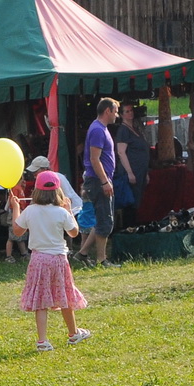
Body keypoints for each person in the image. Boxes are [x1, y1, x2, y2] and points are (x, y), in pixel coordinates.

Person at [12, 170, 92, 350]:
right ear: (58, 191)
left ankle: (42, 341)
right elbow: (74, 232)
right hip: (58, 260)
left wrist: (15, 207)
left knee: (41, 299)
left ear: (36, 191)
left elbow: (17, 231)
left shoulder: (30, 211)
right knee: (64, 295)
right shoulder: (61, 212)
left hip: (38, 259)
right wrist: (69, 211)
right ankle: (73, 333)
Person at [81, 98, 119, 265]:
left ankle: (82, 253)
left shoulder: (100, 128)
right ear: (107, 111)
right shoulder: (97, 130)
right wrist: (104, 182)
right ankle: (101, 260)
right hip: (98, 180)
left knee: (101, 219)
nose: (117, 115)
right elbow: (94, 159)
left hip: (100, 179)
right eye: (115, 111)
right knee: (105, 221)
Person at [114, 102, 152, 228]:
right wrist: (130, 172)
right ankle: (128, 228)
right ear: (121, 115)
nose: (130, 113)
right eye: (127, 111)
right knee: (130, 201)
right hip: (131, 172)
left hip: (140, 171)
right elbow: (121, 152)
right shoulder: (123, 131)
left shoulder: (136, 129)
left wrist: (146, 172)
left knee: (137, 201)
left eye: (131, 110)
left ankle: (133, 226)